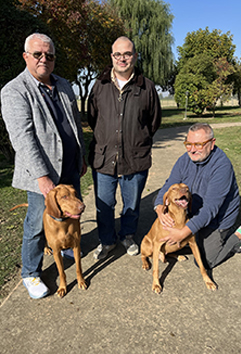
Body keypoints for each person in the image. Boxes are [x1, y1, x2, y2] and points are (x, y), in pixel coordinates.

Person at [1, 33, 87, 299]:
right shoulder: (15, 91)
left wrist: (81, 156)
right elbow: (23, 138)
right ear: (26, 56)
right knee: (37, 225)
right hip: (43, 175)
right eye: (37, 54)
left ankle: (63, 246)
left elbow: (75, 124)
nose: (44, 59)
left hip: (70, 169)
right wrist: (41, 177)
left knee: (71, 216)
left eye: (49, 55)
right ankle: (31, 272)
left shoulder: (63, 84)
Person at [87, 36, 161, 260]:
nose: (122, 58)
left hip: (135, 159)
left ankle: (127, 235)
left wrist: (137, 139)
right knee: (104, 205)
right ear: (112, 57)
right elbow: (92, 118)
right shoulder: (99, 85)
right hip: (103, 159)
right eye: (117, 54)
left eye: (127, 54)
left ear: (135, 56)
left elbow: (153, 121)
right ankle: (107, 240)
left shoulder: (146, 86)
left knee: (132, 204)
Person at [154, 122, 241, 270]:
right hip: (192, 211)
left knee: (205, 262)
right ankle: (195, 234)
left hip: (217, 219)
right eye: (188, 144)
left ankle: (237, 237)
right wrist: (159, 207)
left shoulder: (222, 166)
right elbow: (169, 185)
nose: (192, 150)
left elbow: (210, 209)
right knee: (167, 238)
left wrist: (183, 233)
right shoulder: (184, 160)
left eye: (198, 145)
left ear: (212, 144)